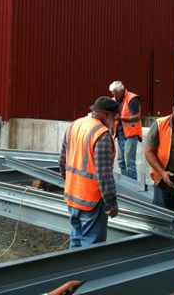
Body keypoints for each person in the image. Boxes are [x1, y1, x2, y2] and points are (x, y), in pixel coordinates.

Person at [59, 96, 120, 248]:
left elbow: (62, 162)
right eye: (114, 116)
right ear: (105, 115)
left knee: (76, 241)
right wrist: (111, 204)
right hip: (91, 202)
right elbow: (104, 176)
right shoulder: (102, 134)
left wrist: (71, 184)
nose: (115, 120)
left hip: (72, 197)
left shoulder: (75, 125)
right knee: (91, 251)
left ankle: (75, 271)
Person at [109, 81, 142, 180]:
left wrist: (121, 118)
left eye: (116, 93)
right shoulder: (114, 100)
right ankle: (125, 183)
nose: (114, 95)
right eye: (113, 93)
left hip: (131, 134)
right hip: (119, 134)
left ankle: (133, 185)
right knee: (121, 161)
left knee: (129, 161)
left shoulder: (132, 99)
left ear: (122, 90)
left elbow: (137, 117)